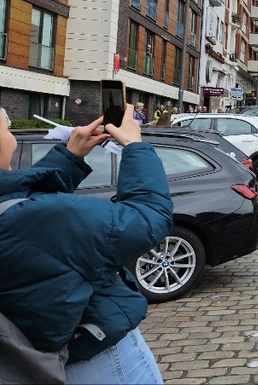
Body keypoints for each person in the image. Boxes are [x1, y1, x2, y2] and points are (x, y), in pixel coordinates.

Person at [0, 105, 172, 383]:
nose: (13, 138)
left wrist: (70, 155)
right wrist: (135, 147)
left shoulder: (22, 217)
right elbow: (147, 218)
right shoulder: (36, 220)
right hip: (94, 361)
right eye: (6, 130)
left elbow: (15, 199)